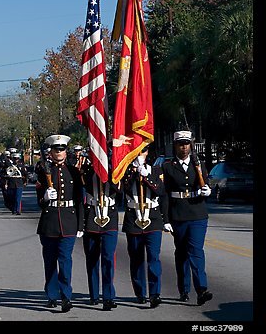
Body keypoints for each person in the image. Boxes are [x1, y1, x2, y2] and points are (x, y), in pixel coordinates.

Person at [161, 130, 213, 306]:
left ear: (191, 145)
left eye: (187, 144)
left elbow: (204, 183)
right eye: (180, 144)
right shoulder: (168, 166)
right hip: (178, 214)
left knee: (196, 250)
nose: (184, 147)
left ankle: (201, 289)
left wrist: (207, 191)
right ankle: (184, 289)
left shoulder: (199, 164)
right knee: (182, 253)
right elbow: (165, 195)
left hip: (197, 213)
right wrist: (166, 219)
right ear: (175, 145)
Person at [35, 134, 84, 312]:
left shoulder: (74, 171)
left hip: (69, 221)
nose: (60, 152)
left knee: (65, 261)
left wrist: (80, 225)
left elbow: (79, 200)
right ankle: (51, 294)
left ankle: (66, 296)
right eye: (57, 149)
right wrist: (45, 198)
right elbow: (38, 201)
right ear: (51, 152)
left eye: (62, 149)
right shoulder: (43, 170)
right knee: (50, 262)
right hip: (49, 222)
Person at [121, 145, 171, 308]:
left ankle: (155, 293)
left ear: (147, 152)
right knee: (136, 258)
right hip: (133, 217)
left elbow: (160, 191)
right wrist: (135, 173)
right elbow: (125, 189)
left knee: (153, 257)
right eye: (136, 152)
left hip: (153, 218)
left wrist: (147, 176)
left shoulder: (156, 170)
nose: (140, 154)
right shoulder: (126, 171)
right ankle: (140, 292)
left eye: (142, 151)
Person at [80, 156, 121, 311]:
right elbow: (82, 187)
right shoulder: (88, 169)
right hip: (91, 215)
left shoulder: (116, 170)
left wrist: (109, 172)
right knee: (92, 258)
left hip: (109, 216)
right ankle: (94, 295)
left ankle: (108, 296)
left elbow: (120, 189)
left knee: (108, 257)